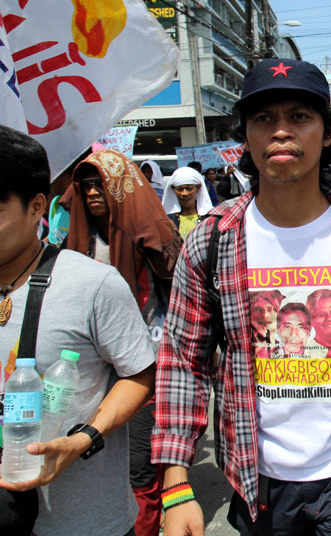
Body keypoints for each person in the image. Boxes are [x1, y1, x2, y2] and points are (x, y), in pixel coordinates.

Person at [152, 58, 331, 536]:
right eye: (264, 119)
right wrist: (177, 483)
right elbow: (184, 361)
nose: (281, 131)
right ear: (246, 138)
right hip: (259, 480)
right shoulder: (212, 240)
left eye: (299, 117)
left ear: (326, 134)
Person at [0, 125, 156, 536]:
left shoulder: (93, 283)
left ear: (37, 207)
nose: (92, 196)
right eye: (84, 187)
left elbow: (139, 373)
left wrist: (87, 437)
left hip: (80, 519)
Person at [61, 148, 182, 536]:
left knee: (137, 461)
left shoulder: (151, 234)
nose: (93, 192)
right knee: (91, 449)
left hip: (142, 361)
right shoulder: (75, 240)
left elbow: (180, 293)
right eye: (86, 185)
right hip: (88, 365)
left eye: (101, 184)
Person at [162, 167, 215, 238]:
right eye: (180, 189)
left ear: (198, 188)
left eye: (189, 189)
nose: (184, 193)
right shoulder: (168, 220)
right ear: (173, 189)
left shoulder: (210, 217)